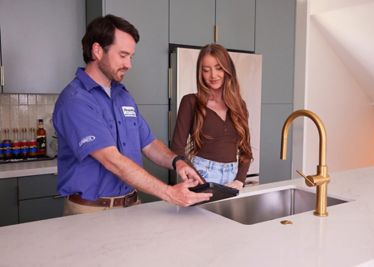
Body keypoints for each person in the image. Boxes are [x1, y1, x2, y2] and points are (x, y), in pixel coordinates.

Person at [52, 14, 211, 215]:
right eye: (123, 55)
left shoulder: (122, 95)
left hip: (131, 207)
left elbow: (149, 144)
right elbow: (112, 160)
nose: (129, 64)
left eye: (131, 57)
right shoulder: (76, 100)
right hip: (90, 213)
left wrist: (177, 162)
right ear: (98, 51)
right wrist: (169, 193)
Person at [171, 44, 253, 190]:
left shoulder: (239, 105)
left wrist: (240, 180)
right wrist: (199, 182)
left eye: (218, 68)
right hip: (201, 175)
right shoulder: (190, 102)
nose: (213, 75)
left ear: (227, 70)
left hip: (233, 178)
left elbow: (246, 150)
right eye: (206, 70)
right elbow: (177, 149)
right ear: (200, 73)